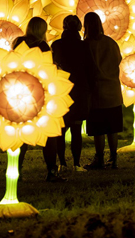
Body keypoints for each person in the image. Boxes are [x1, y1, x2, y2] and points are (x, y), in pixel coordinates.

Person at [12, 16, 66, 182]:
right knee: (49, 134)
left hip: (20, 93)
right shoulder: (42, 46)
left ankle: (16, 171)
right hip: (39, 94)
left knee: (22, 135)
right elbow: (48, 68)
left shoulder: (17, 43)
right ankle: (51, 171)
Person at [83, 12, 123, 169]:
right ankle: (113, 158)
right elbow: (118, 61)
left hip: (97, 93)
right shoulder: (111, 42)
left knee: (98, 129)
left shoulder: (87, 44)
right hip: (113, 91)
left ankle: (99, 159)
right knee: (112, 128)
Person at [51, 15, 91, 173]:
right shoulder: (84, 46)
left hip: (61, 90)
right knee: (76, 129)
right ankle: (76, 163)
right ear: (79, 27)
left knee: (60, 130)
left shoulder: (57, 45)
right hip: (80, 90)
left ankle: (62, 163)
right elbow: (89, 68)